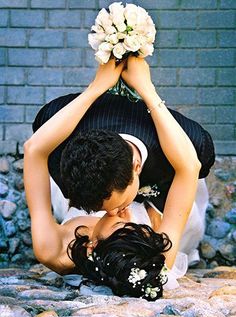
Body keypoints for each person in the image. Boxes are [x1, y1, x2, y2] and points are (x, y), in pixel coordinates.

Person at [24, 57, 213, 300]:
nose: (120, 213)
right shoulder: (155, 257)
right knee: (185, 215)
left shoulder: (53, 251)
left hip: (95, 180)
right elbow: (189, 167)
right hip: (157, 204)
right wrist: (146, 88)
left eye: (116, 224)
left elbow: (34, 150)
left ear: (92, 245)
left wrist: (97, 87)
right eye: (135, 226)